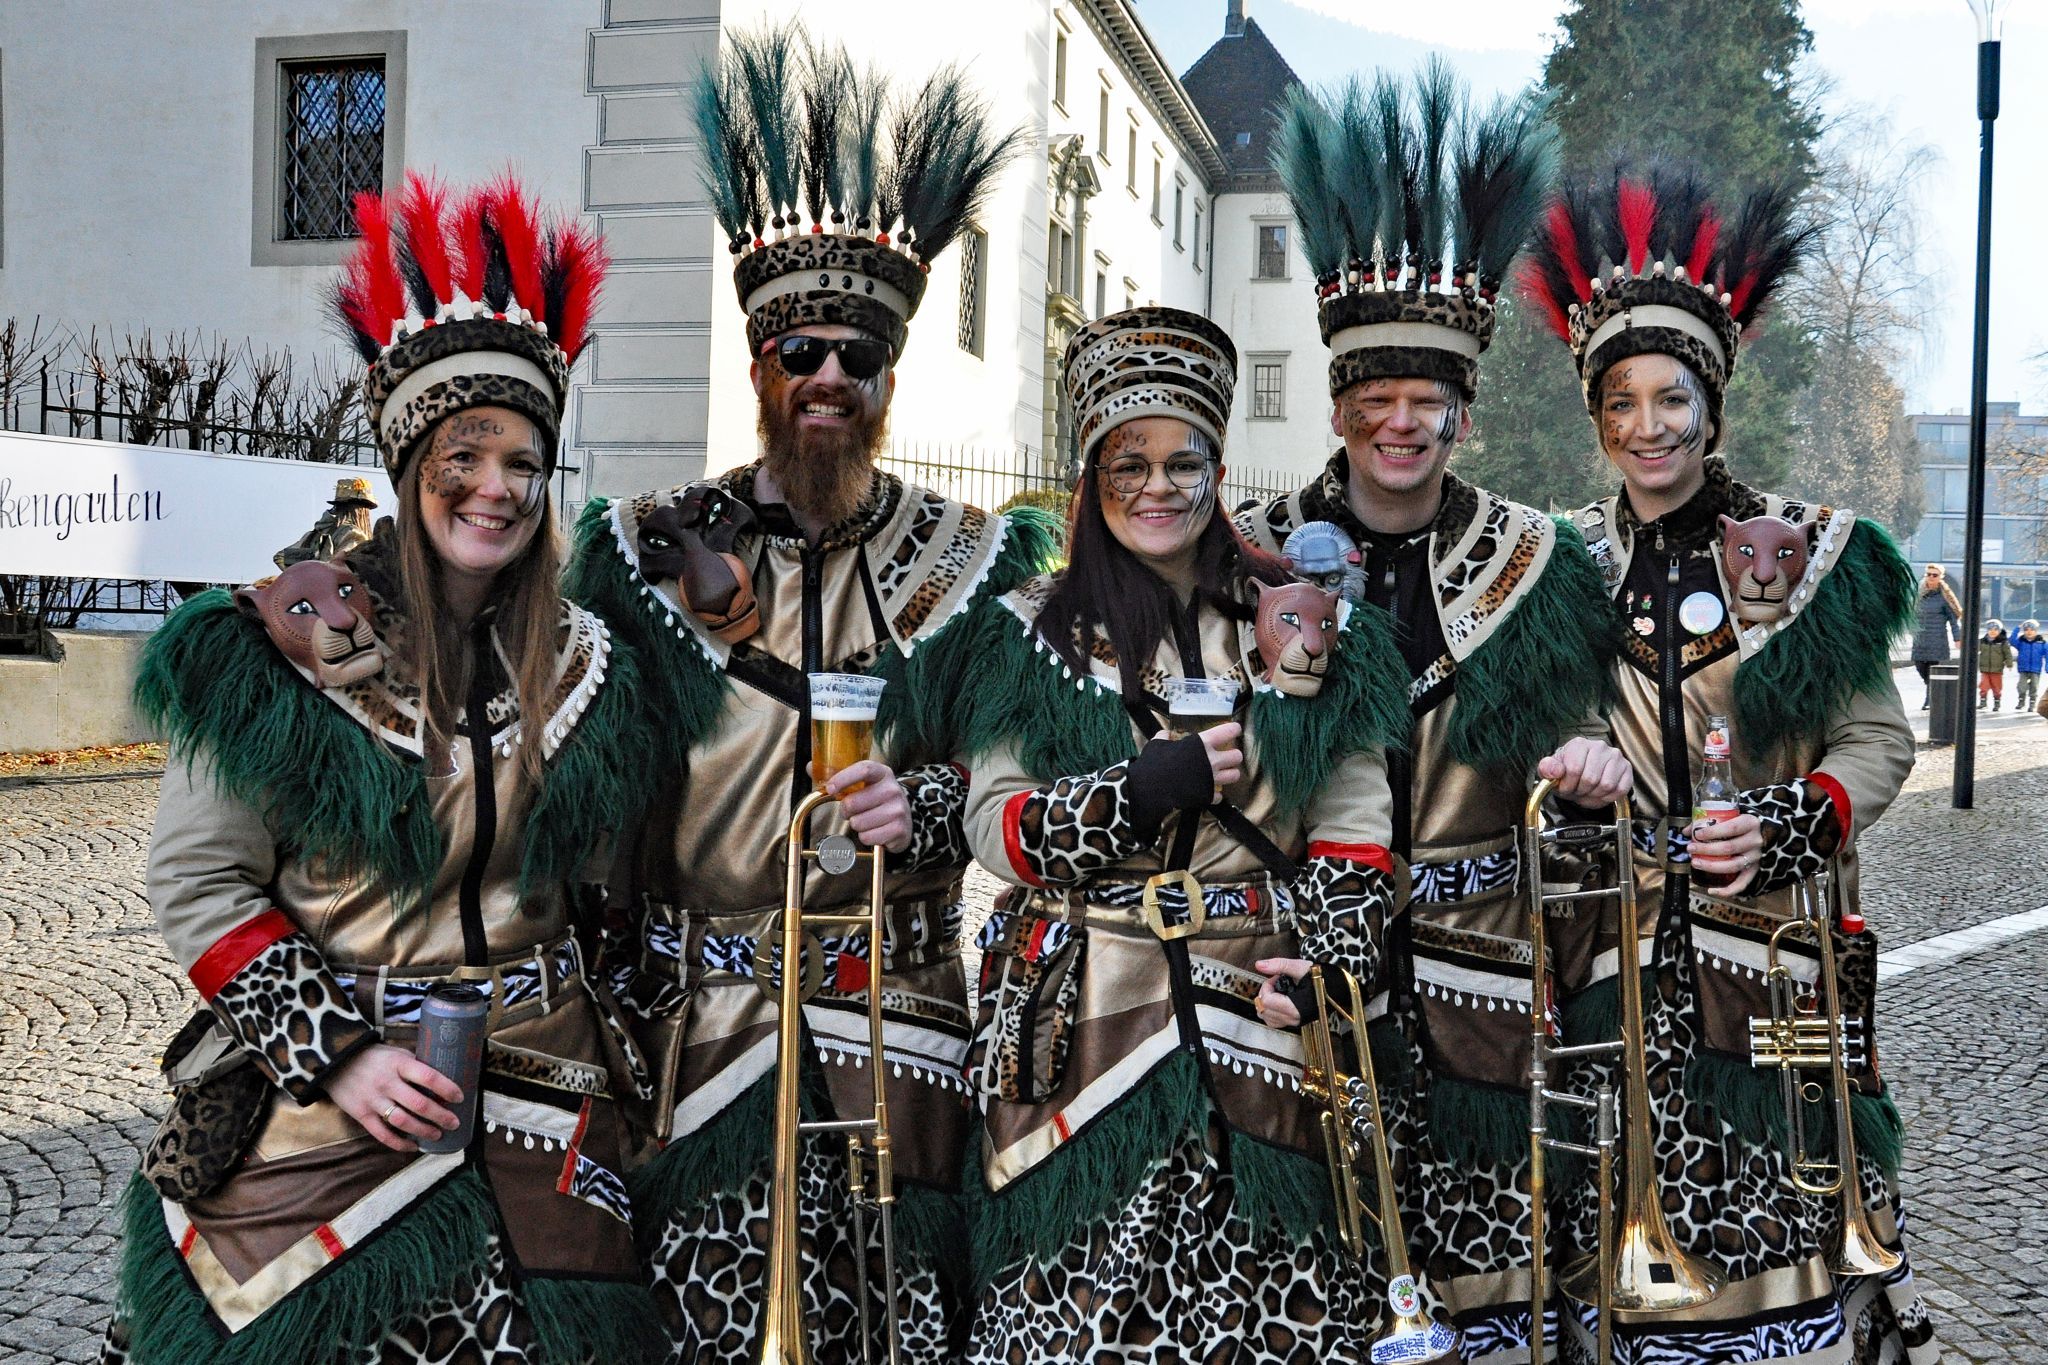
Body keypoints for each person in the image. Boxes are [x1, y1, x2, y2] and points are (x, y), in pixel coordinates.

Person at [103, 175, 664, 1363]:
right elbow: (200, 886)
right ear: (412, 464)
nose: (498, 487)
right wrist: (342, 1056)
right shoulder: (276, 649)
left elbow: (607, 888)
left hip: (548, 1092)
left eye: (524, 460)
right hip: (331, 1095)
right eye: (466, 452)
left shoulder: (593, 666)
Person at [562, 28, 1053, 1363]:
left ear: (891, 377)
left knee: (897, 1326)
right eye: (796, 349)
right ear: (761, 363)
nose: (826, 374)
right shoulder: (643, 547)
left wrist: (935, 802)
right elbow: (595, 794)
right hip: (700, 1030)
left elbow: (1014, 776)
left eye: (856, 353)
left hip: (897, 1018)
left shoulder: (976, 560)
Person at [1237, 65, 1630, 1360]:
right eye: (1376, 402)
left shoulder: (1541, 561)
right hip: (1302, 982)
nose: (1402, 424)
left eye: (1427, 403)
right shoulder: (1256, 558)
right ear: (1343, 406)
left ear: (1462, 411)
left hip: (1486, 983)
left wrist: (1595, 755)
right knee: (1315, 1288)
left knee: (1486, 1295)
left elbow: (1604, 733)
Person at [1525, 165, 1937, 1362]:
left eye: (1669, 400)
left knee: (1778, 1248)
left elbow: (1875, 739)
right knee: (1620, 1249)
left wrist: (1783, 821)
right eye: (1619, 404)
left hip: (1770, 961)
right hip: (1613, 961)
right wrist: (1576, 770)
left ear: (1710, 405)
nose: (1645, 427)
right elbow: (1537, 749)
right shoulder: (1552, 572)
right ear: (1594, 416)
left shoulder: (1806, 557)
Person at [952, 305, 1408, 1358]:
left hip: (1261, 1005)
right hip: (1083, 1024)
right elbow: (994, 820)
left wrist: (1329, 957)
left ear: (1215, 469)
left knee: (1268, 1311)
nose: (1155, 486)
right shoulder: (1024, 631)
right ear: (1090, 474)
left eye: (1181, 461)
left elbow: (1351, 823)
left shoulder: (1300, 618)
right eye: (1127, 463)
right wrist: (1127, 793)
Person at [1909, 564, 1961, 706]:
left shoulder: (1944, 597)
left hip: (1937, 640)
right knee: (1920, 666)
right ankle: (1931, 690)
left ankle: (1930, 700)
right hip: (1920, 640)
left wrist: (1957, 638)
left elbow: (1953, 619)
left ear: (1940, 577)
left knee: (1933, 670)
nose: (1931, 577)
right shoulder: (1918, 594)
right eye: (1929, 574)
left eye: (1935, 575)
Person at [1977, 618, 2015, 710]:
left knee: (1996, 687)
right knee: (1983, 686)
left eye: (1995, 630)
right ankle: (1983, 701)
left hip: (1997, 670)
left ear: (1999, 631)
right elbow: (1975, 649)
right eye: (1990, 630)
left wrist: (2009, 664)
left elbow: (2008, 654)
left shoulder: (2003, 642)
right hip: (1984, 669)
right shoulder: (1982, 641)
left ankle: (1997, 702)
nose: (1992, 632)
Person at [2015, 618, 2044, 712]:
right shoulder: (2021, 642)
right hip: (2023, 668)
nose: (2029, 632)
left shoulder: (2041, 643)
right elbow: (2011, 640)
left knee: (2034, 686)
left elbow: (2047, 654)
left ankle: (2032, 702)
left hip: (2035, 669)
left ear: (2036, 631)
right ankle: (2021, 700)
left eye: (2032, 630)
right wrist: (2017, 629)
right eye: (2026, 630)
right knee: (2021, 686)